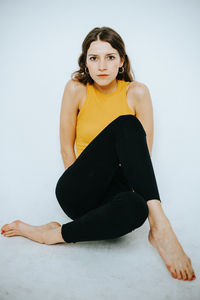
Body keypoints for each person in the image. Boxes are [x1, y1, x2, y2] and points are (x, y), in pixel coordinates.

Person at [1, 26, 196, 282]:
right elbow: (65, 146)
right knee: (125, 124)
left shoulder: (136, 92)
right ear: (85, 62)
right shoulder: (76, 89)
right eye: (94, 58)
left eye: (110, 57)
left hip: (115, 191)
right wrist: (80, 185)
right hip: (79, 188)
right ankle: (160, 225)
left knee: (136, 207)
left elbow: (141, 155)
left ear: (121, 61)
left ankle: (57, 233)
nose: (102, 65)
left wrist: (130, 197)